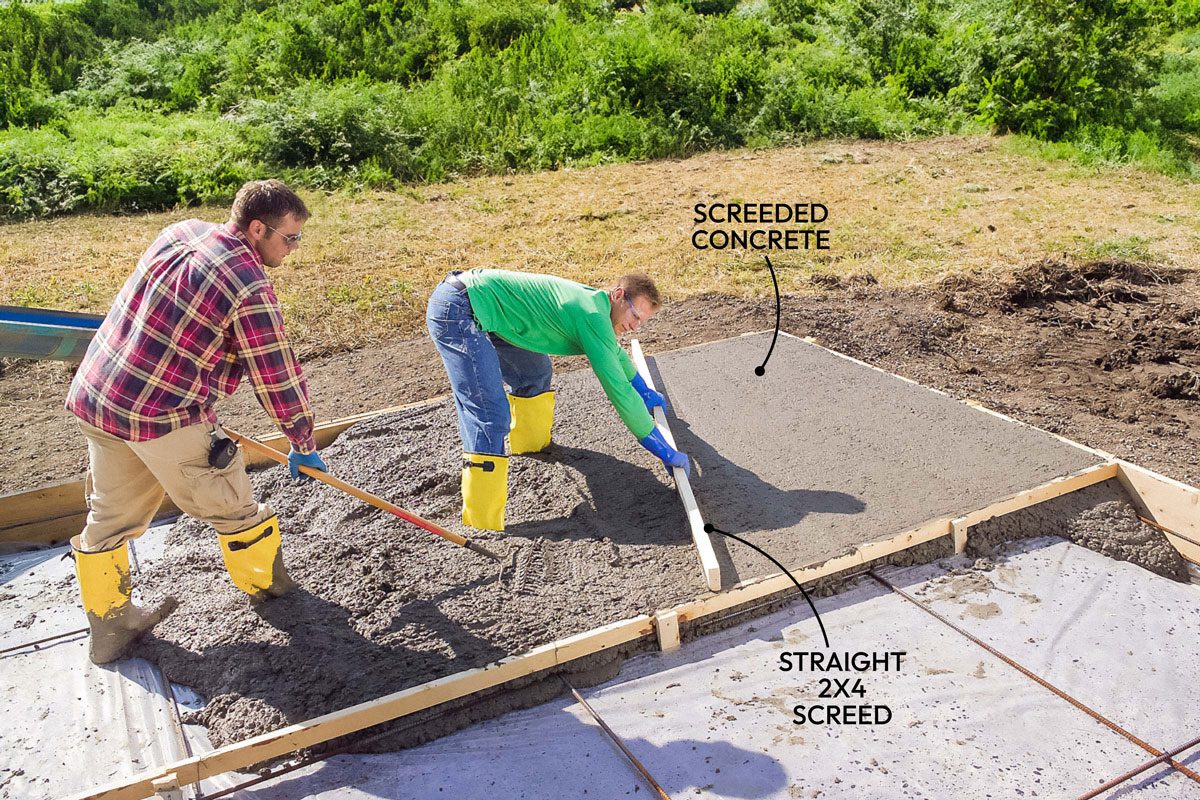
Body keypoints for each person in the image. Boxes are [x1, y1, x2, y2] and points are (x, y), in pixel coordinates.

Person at [65, 179, 328, 664]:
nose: (293, 249)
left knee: (110, 518)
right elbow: (275, 374)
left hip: (100, 397)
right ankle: (277, 597)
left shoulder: (181, 232)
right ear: (256, 228)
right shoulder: (248, 285)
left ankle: (110, 628)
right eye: (289, 238)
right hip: (161, 412)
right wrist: (302, 439)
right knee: (232, 505)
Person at [426, 268, 690, 531]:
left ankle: (531, 446)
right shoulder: (591, 315)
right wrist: (659, 446)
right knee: (489, 414)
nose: (635, 325)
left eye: (641, 322)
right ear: (619, 295)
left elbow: (614, 353)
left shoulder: (599, 308)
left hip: (489, 307)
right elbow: (618, 390)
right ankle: (481, 521)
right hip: (459, 310)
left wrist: (643, 390)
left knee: (534, 372)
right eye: (634, 315)